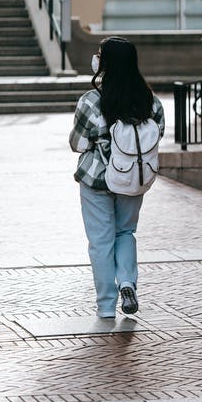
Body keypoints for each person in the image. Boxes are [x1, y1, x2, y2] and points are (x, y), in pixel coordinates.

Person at [69, 36, 165, 319]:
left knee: (101, 241)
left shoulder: (91, 101)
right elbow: (156, 135)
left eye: (99, 54)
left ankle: (106, 306)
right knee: (125, 232)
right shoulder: (151, 101)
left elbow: (77, 143)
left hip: (97, 178)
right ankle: (127, 282)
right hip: (133, 180)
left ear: (106, 63)